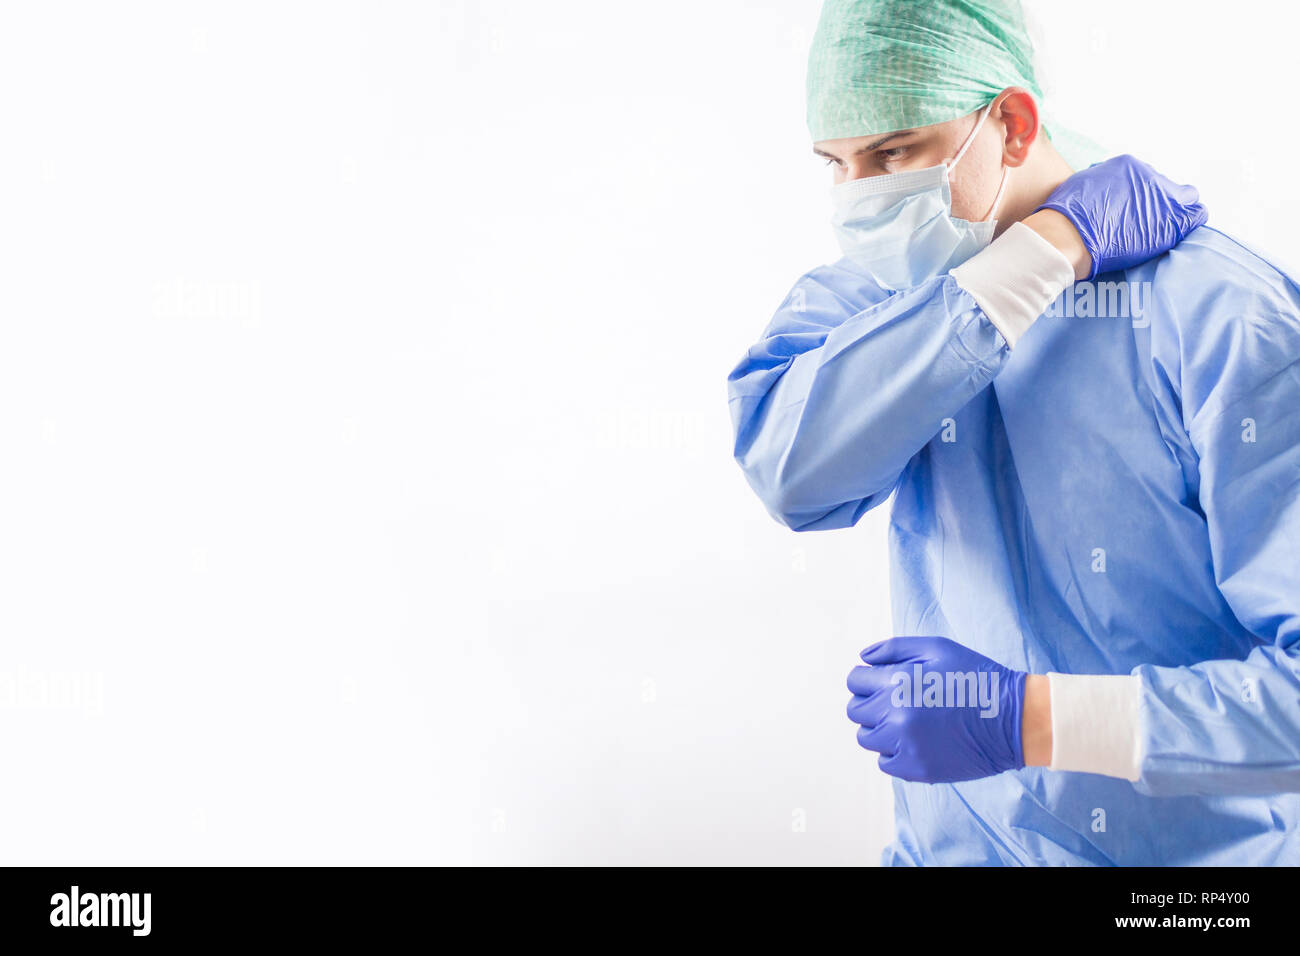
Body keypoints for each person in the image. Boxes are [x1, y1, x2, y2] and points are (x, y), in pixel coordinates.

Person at [726, 0, 1300, 865]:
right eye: (835, 163)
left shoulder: (1218, 319)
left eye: (893, 153)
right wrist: (1039, 256)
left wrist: (1031, 721)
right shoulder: (885, 293)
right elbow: (792, 473)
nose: (861, 199)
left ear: (1014, 123)